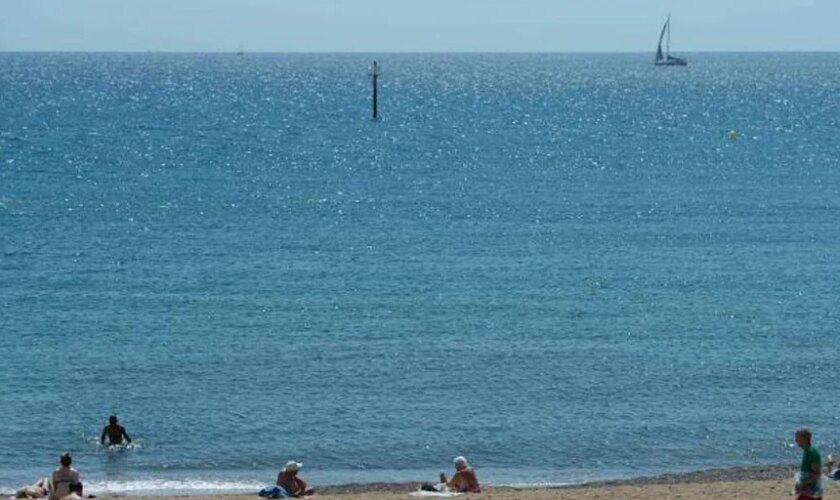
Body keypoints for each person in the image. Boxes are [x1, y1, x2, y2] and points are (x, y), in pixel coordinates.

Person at [794, 428, 823, 500]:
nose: (796, 440)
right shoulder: (807, 451)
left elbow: (817, 474)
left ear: (805, 438)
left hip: (811, 491)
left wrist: (802, 484)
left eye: (797, 437)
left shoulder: (811, 452)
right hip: (808, 491)